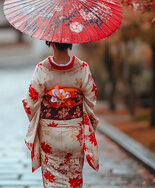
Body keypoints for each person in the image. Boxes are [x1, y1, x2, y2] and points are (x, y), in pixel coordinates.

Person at [22, 41, 99, 188]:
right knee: (73, 180)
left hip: (49, 136)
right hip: (74, 134)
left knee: (52, 181)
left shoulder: (42, 69)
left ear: (50, 43)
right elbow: (91, 100)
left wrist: (47, 109)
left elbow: (28, 102)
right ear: (70, 43)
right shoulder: (82, 68)